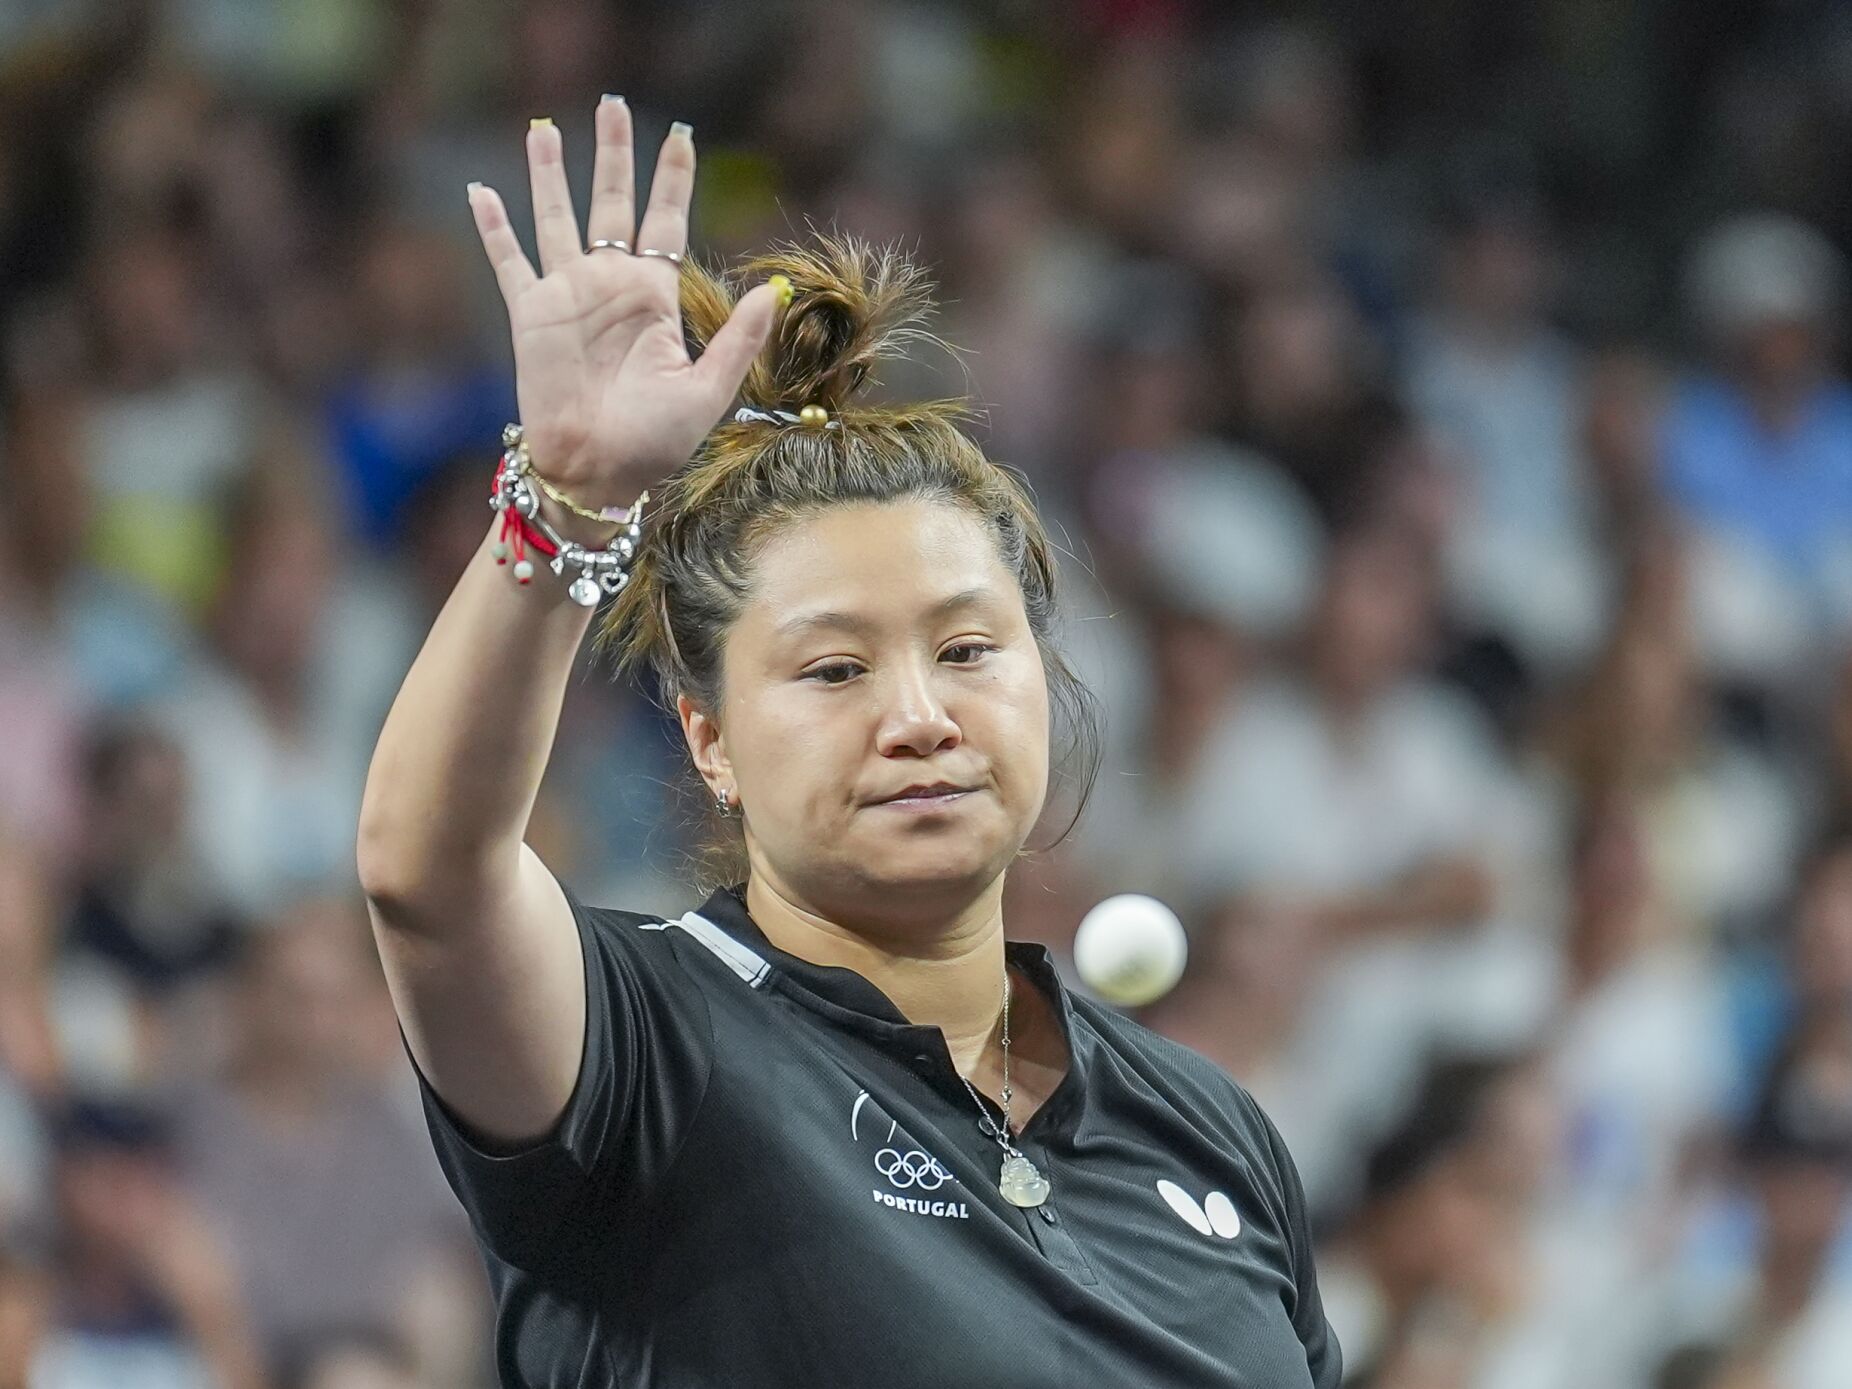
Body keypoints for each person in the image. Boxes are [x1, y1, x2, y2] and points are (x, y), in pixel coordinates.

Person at [356, 100, 1342, 1387]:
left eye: (969, 650)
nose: (919, 715)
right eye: (834, 669)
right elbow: (427, 878)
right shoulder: (643, 1049)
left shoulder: (1211, 1132)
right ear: (708, 742)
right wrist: (572, 498)